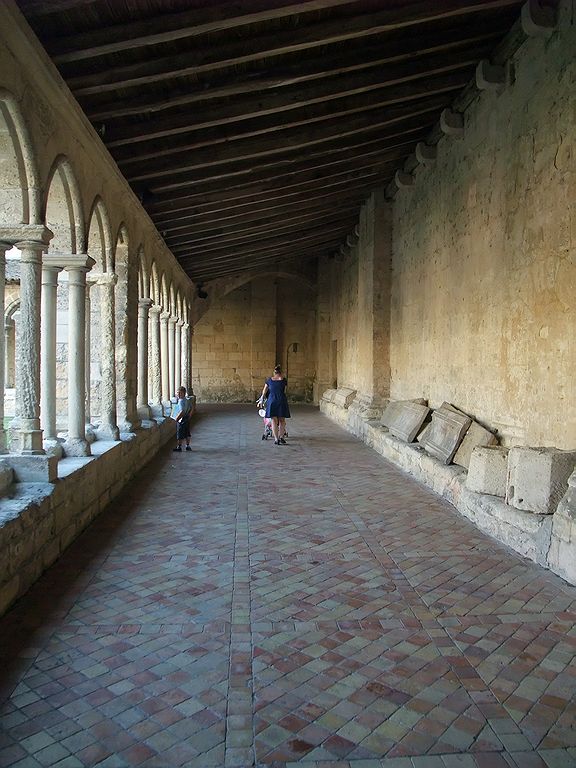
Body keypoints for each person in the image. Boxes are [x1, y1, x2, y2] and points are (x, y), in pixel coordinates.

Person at [258, 365, 290, 445]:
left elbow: (264, 391)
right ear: (281, 372)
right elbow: (284, 390)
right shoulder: (283, 380)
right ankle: (281, 437)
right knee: (282, 420)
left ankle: (276, 439)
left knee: (273, 420)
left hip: (272, 400)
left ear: (274, 372)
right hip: (281, 400)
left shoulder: (269, 380)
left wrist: (262, 399)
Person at [172, 386, 192, 452]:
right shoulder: (187, 400)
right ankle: (187, 446)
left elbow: (182, 411)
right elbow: (191, 408)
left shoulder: (181, 401)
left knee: (180, 433)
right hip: (187, 418)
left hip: (182, 419)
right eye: (177, 393)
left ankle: (179, 447)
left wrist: (177, 419)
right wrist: (189, 415)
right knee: (187, 432)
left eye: (180, 393)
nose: (178, 394)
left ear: (184, 393)